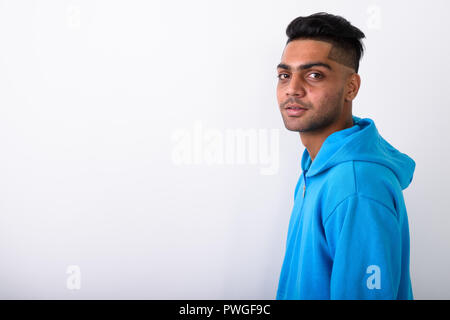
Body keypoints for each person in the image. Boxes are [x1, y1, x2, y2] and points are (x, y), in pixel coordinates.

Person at [275, 12, 415, 299]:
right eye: (284, 75)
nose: (292, 88)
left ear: (351, 87)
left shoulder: (356, 186)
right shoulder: (316, 167)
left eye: (314, 75)